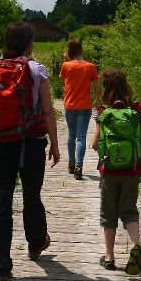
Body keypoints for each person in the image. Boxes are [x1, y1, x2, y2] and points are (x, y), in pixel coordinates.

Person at [0, 22, 60, 281]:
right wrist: (55, 143)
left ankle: (1, 265)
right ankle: (36, 242)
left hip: (1, 141)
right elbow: (47, 110)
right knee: (31, 195)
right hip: (31, 142)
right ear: (29, 43)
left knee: (1, 200)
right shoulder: (36, 69)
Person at [90, 68, 141, 276]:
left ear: (105, 87)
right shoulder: (138, 109)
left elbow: (94, 144)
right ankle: (136, 245)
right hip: (132, 169)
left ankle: (109, 257)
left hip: (109, 170)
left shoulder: (102, 111)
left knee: (108, 212)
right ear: (126, 85)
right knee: (129, 210)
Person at [59, 39, 99, 180]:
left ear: (70, 52)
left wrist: (67, 61)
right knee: (81, 137)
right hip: (85, 106)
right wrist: (97, 99)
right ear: (81, 50)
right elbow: (96, 86)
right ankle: (78, 166)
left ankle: (71, 163)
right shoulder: (90, 66)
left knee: (71, 135)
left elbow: (62, 77)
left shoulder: (66, 65)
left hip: (70, 105)